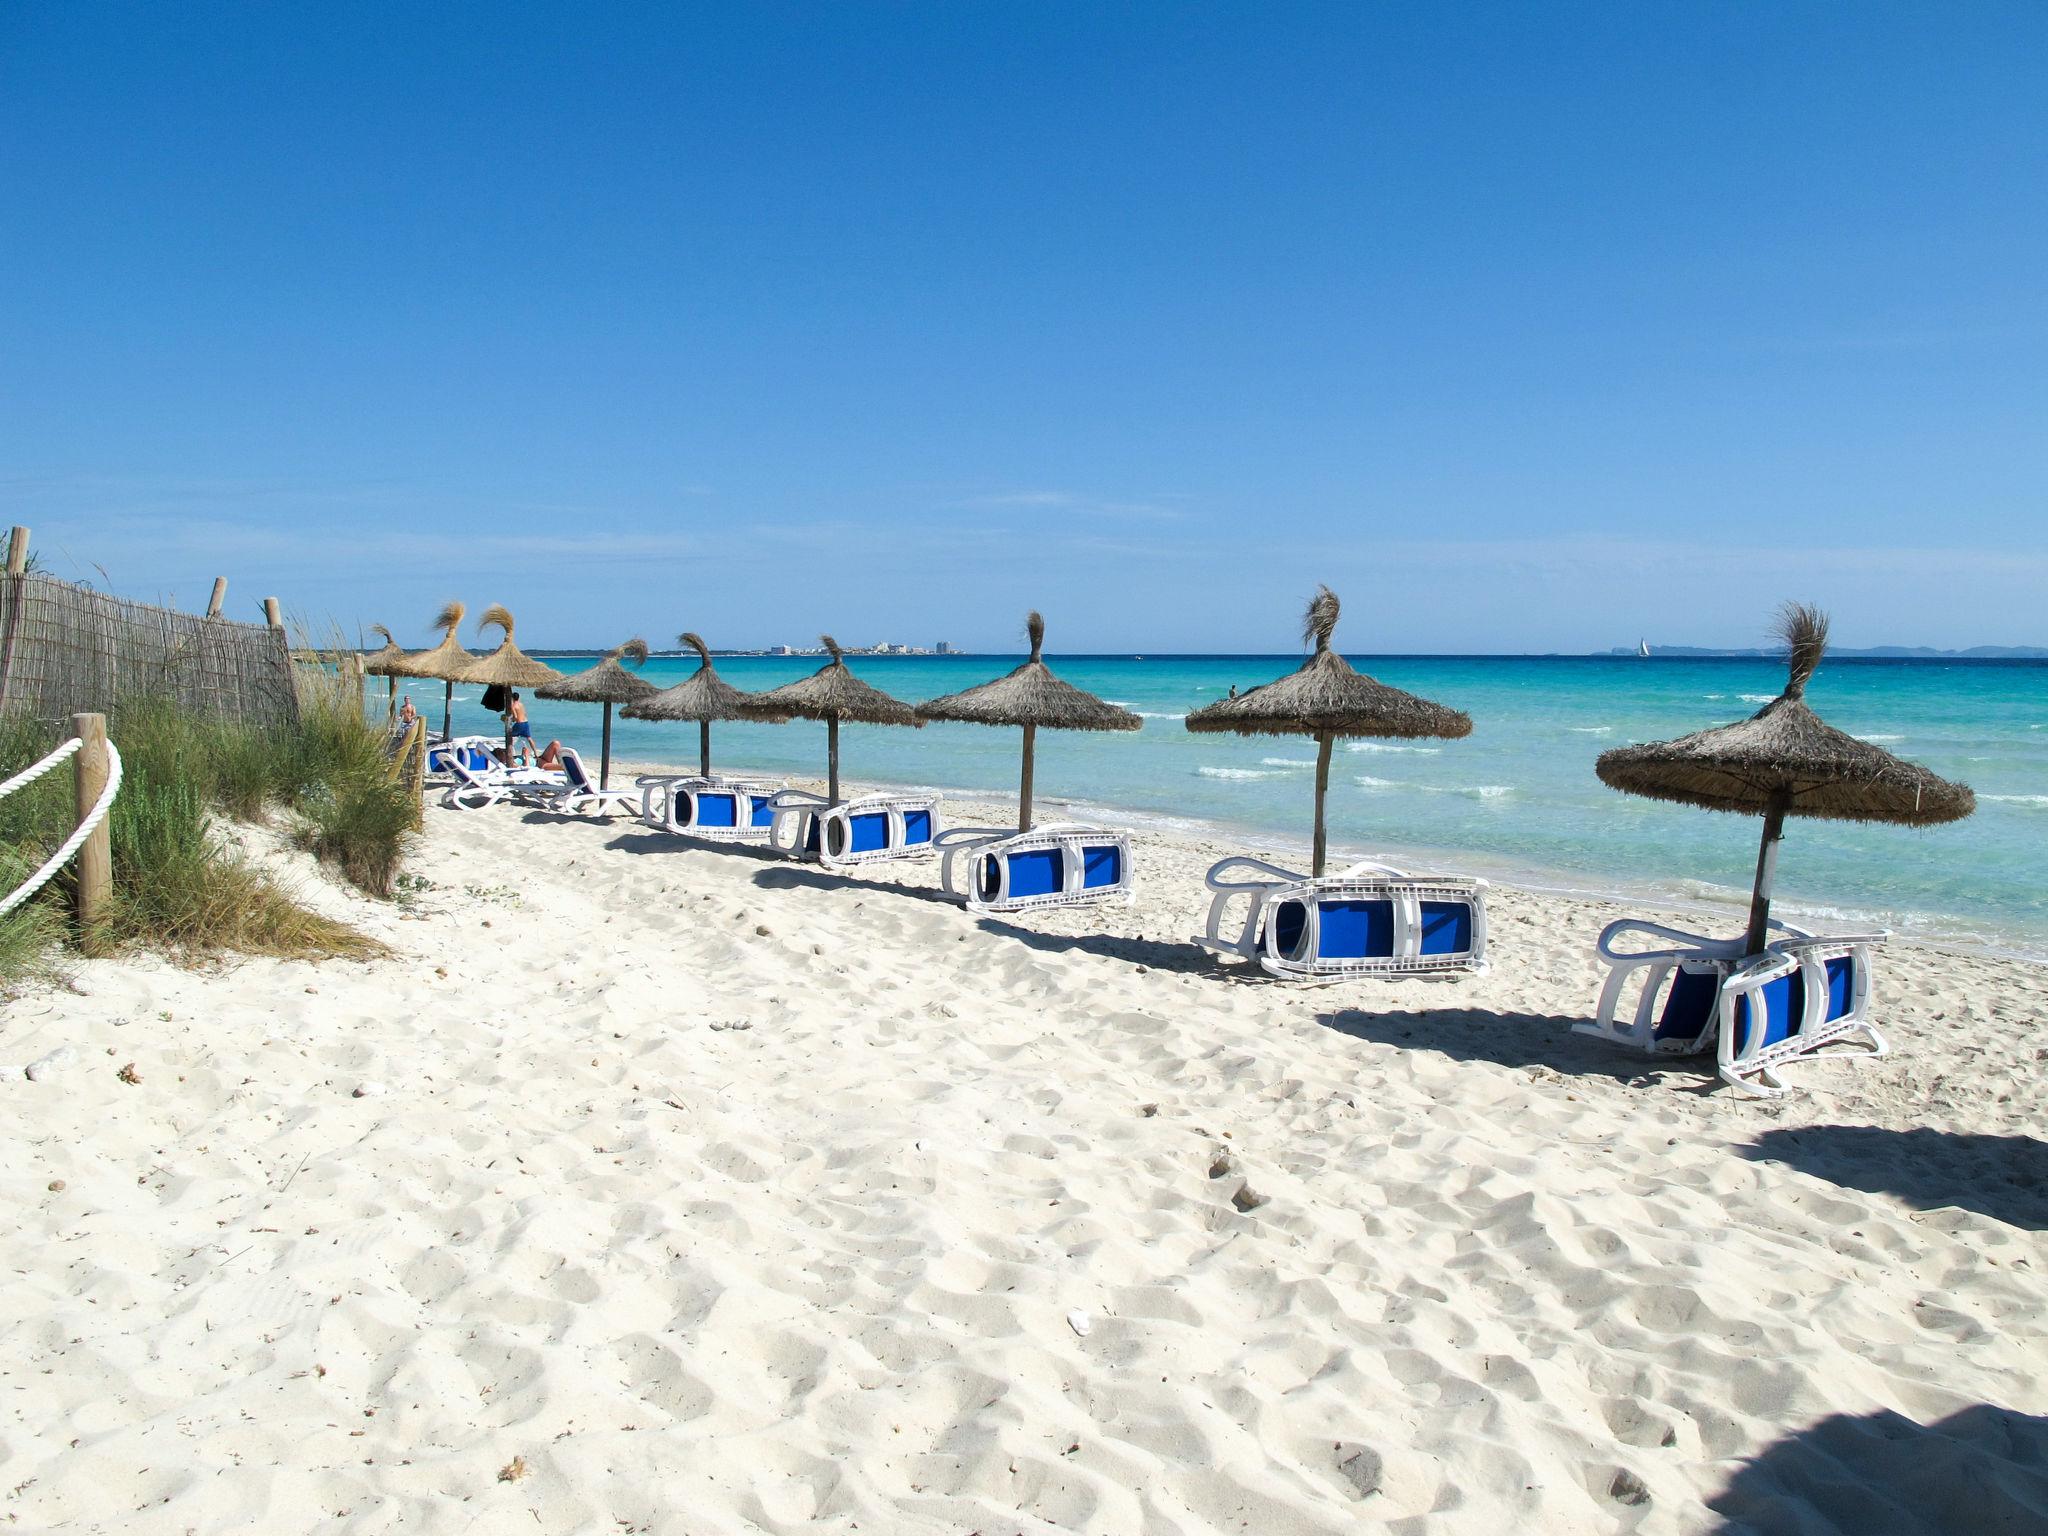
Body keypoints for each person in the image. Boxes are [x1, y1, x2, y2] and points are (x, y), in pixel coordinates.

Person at [506, 691, 536, 766]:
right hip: (525, 722)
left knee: (509, 736)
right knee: (529, 738)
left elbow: (515, 717)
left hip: (519, 723)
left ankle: (510, 753)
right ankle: (536, 753)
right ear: (518, 698)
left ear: (512, 698)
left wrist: (511, 719)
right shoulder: (521, 704)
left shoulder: (513, 706)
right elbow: (524, 713)